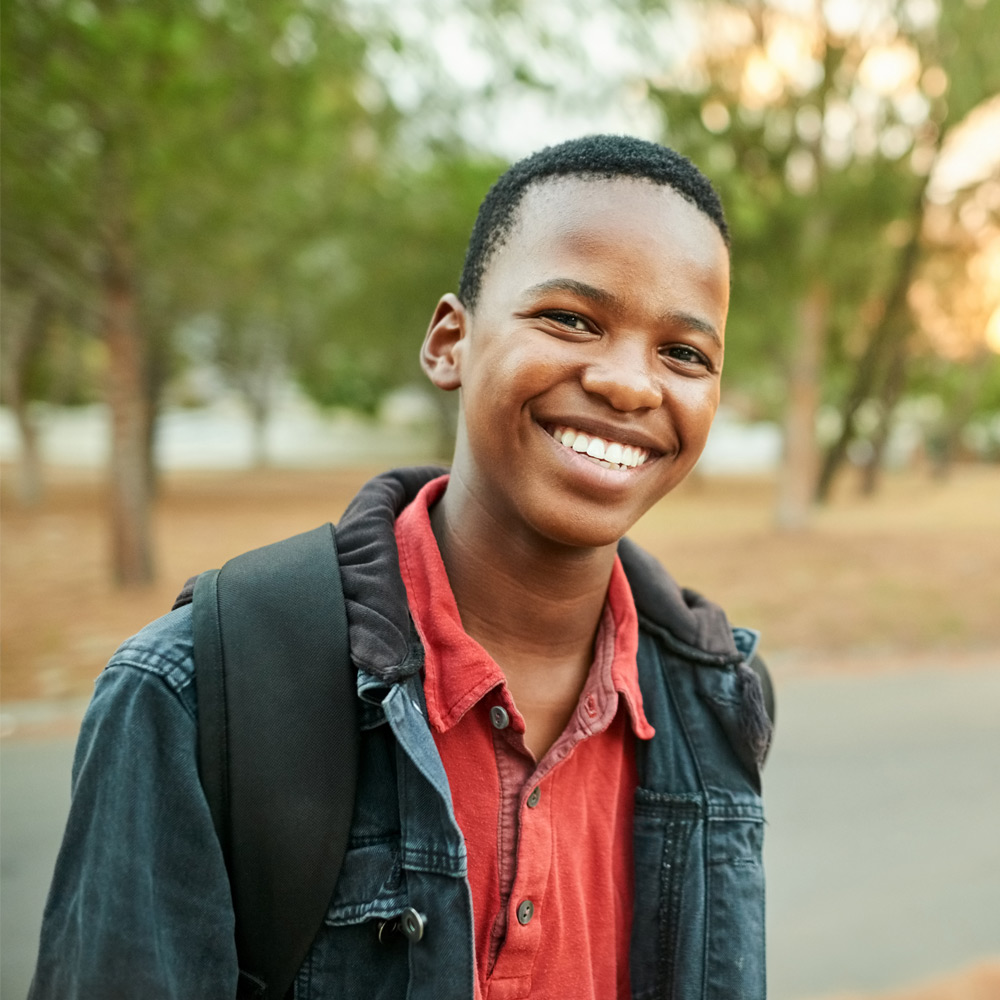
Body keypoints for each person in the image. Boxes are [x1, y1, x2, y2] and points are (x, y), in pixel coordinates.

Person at [30, 134, 772, 1000]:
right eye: (571, 318)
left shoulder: (711, 698)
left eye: (684, 353)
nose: (628, 384)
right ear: (449, 342)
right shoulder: (197, 691)